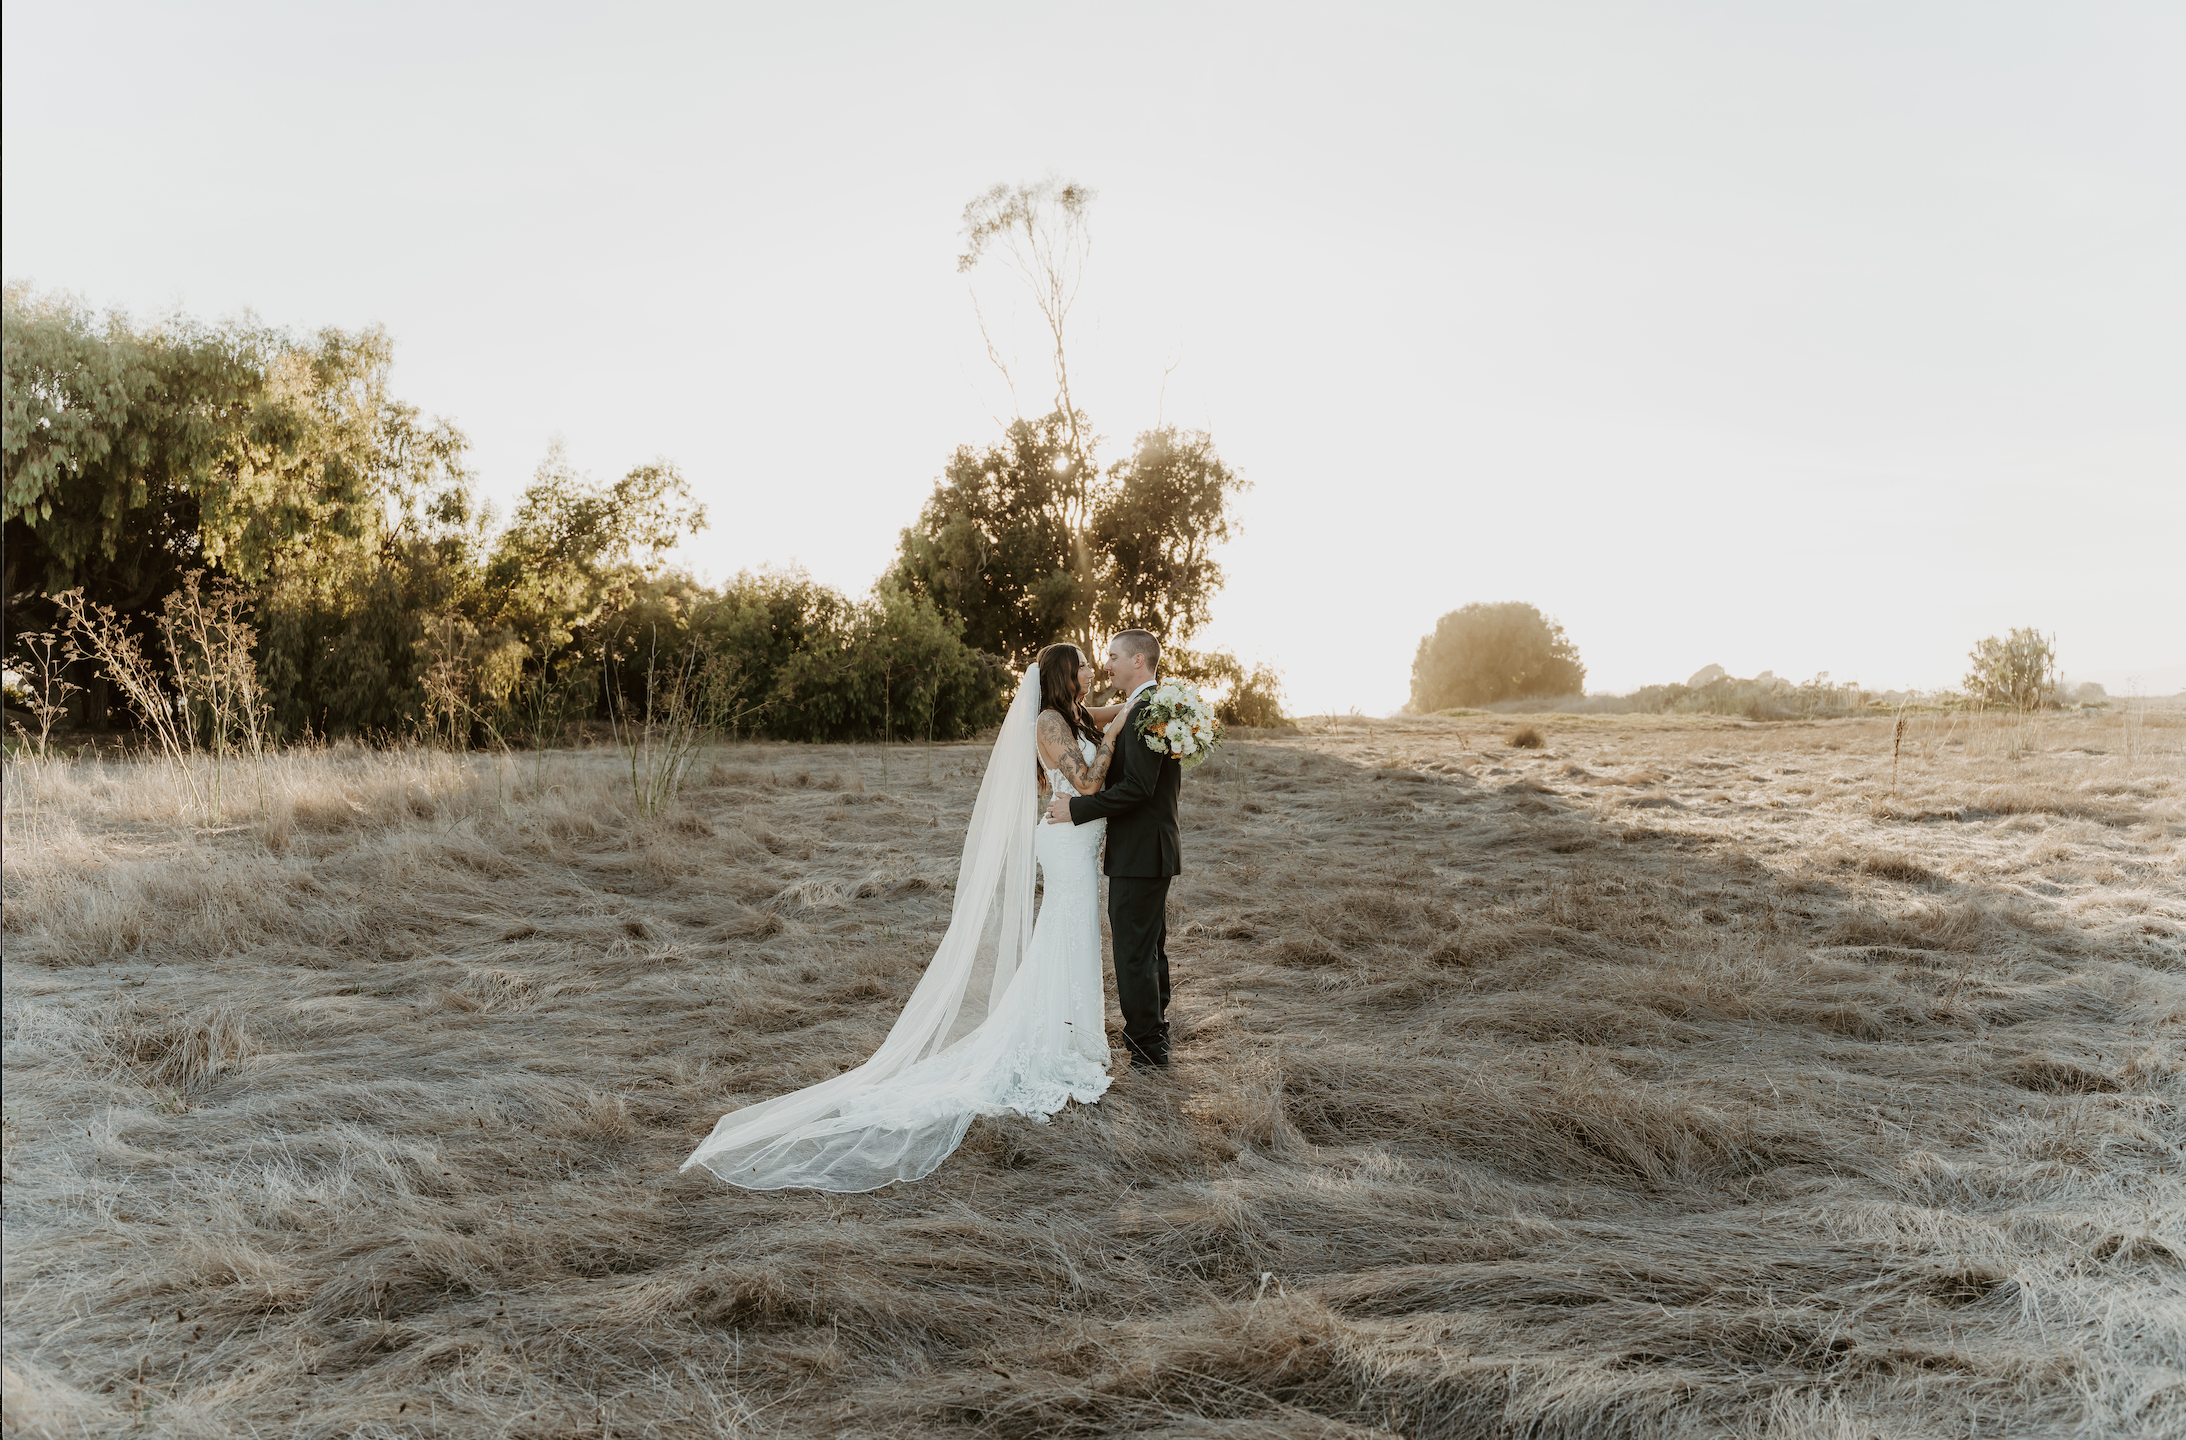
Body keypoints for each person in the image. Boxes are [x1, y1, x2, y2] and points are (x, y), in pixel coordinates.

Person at [681, 644, 1129, 1193]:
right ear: (1063, 675)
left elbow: (1111, 712)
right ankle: (1051, 1041)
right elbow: (1088, 784)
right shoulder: (1049, 722)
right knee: (1063, 936)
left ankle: (1069, 1035)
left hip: (1079, 845)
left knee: (1072, 937)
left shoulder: (1074, 715)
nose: (1091, 670)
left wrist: (1140, 703)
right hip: (1065, 846)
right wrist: (1114, 733)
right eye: (1083, 664)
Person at [1045, 629, 1181, 1068]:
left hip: (1140, 849)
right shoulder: (1147, 704)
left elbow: (1138, 787)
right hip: (1144, 847)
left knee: (1135, 950)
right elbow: (1086, 721)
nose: (1103, 666)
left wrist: (1077, 809)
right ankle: (1153, 1035)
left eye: (1111, 656)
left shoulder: (1145, 709)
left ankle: (1147, 1046)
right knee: (1148, 947)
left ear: (1138, 661)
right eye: (1090, 662)